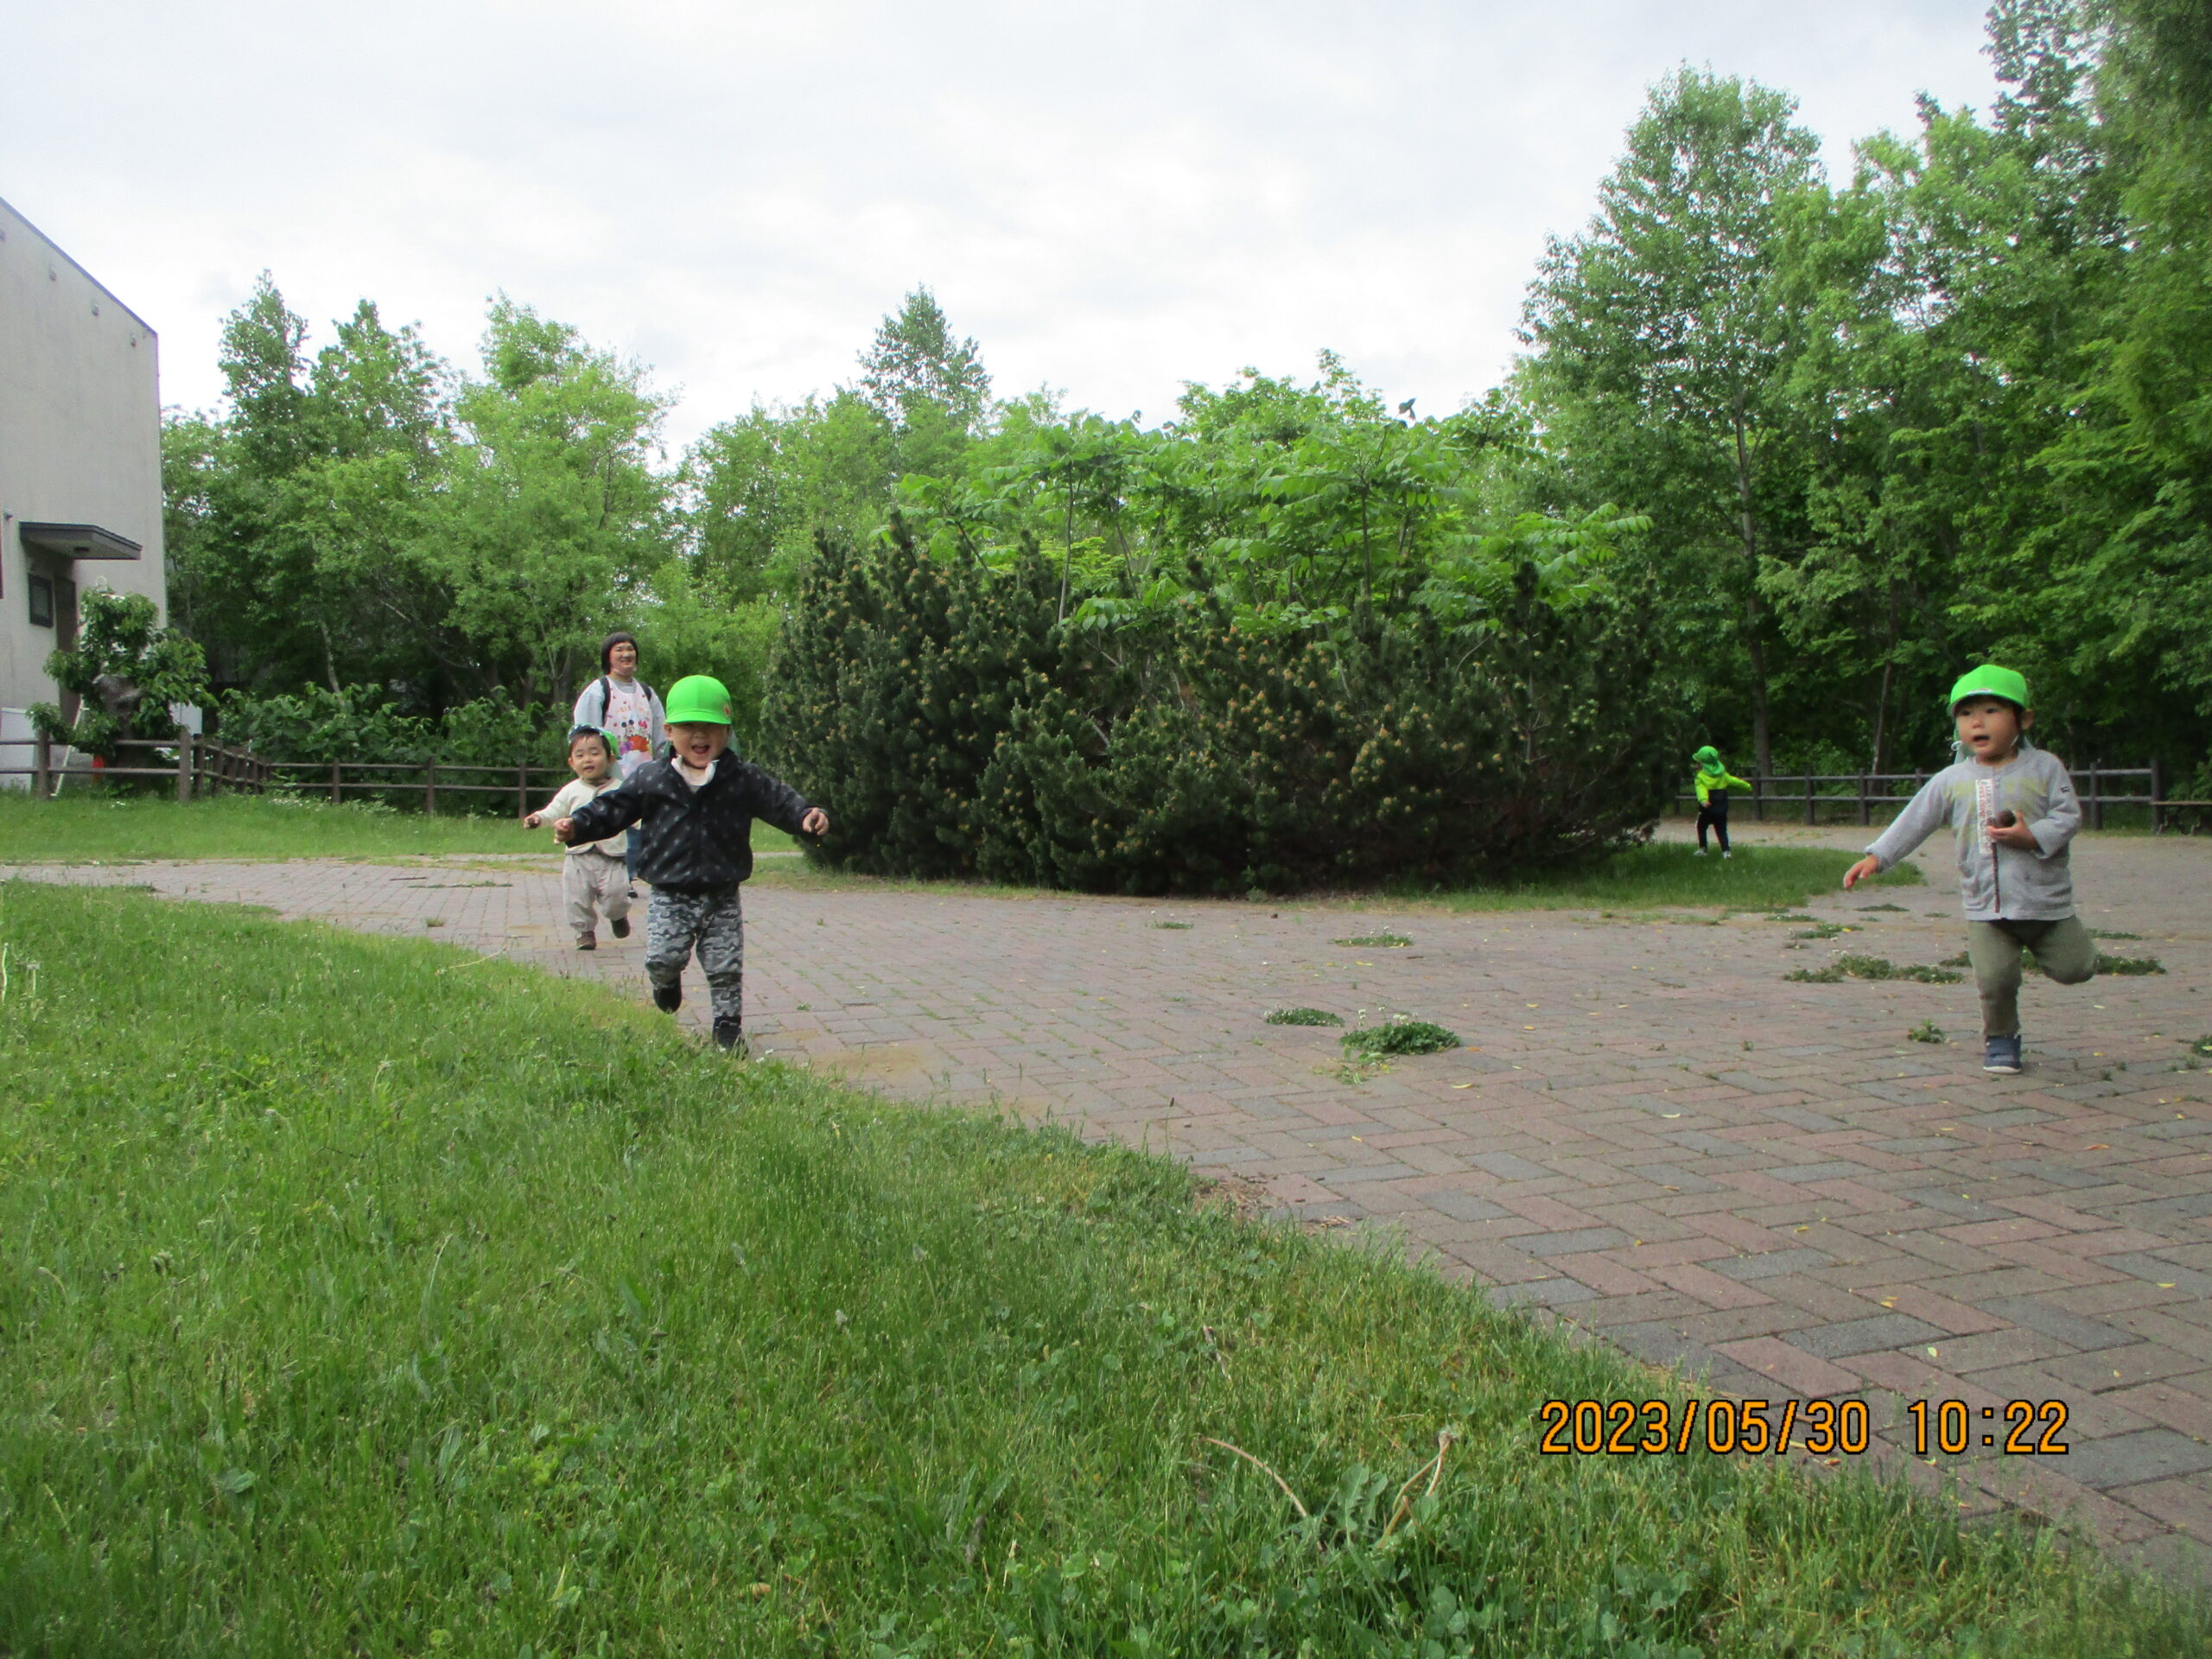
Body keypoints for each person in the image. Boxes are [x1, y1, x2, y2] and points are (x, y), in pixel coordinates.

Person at [555, 675, 828, 1054]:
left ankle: (727, 1030)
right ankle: (666, 981)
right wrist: (578, 825)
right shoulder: (652, 778)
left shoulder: (742, 778)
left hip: (722, 892)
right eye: (688, 727)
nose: (700, 735)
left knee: (725, 966)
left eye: (711, 727)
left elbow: (779, 801)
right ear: (668, 731)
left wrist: (806, 816)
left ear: (727, 731)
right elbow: (613, 808)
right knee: (662, 958)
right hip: (670, 893)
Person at [1843, 664, 2093, 1076]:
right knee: (1995, 981)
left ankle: (2039, 950)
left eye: (1992, 711)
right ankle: (2002, 1039)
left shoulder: (2045, 767)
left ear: (2024, 719)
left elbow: (2069, 817)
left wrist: (2033, 836)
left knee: (2076, 968)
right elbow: (1915, 820)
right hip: (1986, 905)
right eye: (1966, 714)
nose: (1978, 722)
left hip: (2045, 903)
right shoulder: (1952, 779)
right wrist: (1878, 856)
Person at [524, 727, 633, 950]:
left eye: (595, 753)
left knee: (617, 894)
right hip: (578, 857)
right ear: (571, 762)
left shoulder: (621, 790)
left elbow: (636, 815)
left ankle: (617, 916)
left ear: (610, 758)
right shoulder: (571, 790)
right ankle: (584, 932)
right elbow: (554, 811)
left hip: (613, 857)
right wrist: (537, 819)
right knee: (576, 897)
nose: (588, 759)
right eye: (580, 755)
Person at [570, 632, 667, 882]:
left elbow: (661, 736)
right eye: (619, 650)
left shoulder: (647, 693)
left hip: (644, 774)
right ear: (608, 657)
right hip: (612, 776)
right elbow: (585, 734)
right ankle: (616, 879)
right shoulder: (598, 692)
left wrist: (663, 767)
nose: (626, 654)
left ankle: (629, 878)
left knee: (639, 831)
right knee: (617, 830)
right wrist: (594, 769)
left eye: (630, 649)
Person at [1691, 746, 1751, 857]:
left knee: (1701, 827)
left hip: (1707, 808)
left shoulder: (1701, 776)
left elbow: (1701, 789)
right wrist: (1747, 786)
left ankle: (1703, 849)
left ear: (1702, 763)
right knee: (1721, 830)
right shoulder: (1722, 775)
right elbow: (1734, 781)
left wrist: (1703, 800)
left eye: (1698, 762)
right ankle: (1726, 851)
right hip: (1721, 808)